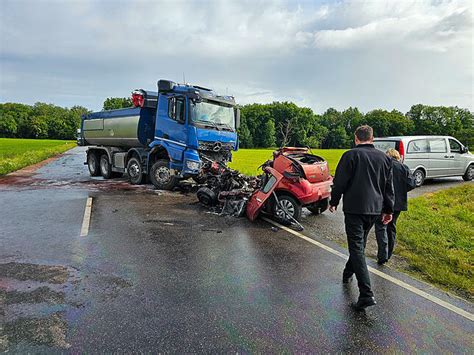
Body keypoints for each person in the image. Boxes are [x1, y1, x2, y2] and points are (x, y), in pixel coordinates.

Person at [329, 125, 394, 310]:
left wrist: (333, 201)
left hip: (355, 209)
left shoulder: (350, 155)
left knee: (357, 248)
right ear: (372, 138)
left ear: (356, 138)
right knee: (359, 245)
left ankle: (366, 294)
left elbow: (339, 182)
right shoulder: (385, 158)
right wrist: (388, 211)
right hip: (374, 210)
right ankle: (347, 272)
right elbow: (389, 188)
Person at [375, 148, 416, 265]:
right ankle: (388, 254)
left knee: (381, 226)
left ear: (388, 156)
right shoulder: (404, 168)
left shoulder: (384, 165)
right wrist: (402, 190)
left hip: (384, 201)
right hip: (398, 203)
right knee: (391, 227)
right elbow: (412, 183)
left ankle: (382, 254)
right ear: (398, 157)